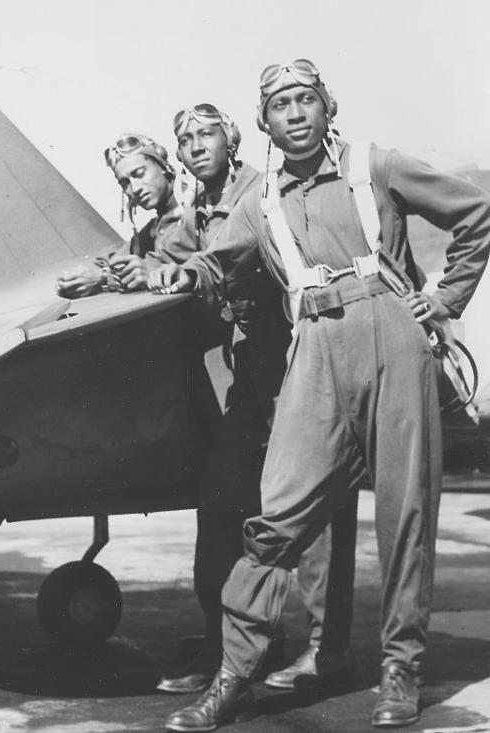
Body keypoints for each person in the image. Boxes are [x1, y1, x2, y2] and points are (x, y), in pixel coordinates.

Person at [156, 60, 490, 731]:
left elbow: (476, 211)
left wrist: (445, 299)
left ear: (326, 106)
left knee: (405, 515)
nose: (296, 113)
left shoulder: (375, 165)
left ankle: (401, 669)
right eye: (281, 104)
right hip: (313, 349)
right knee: (276, 515)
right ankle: (234, 675)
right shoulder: (260, 203)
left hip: (392, 336)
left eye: (306, 99)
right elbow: (213, 262)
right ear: (265, 123)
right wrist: (157, 271)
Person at [150, 104, 359, 696]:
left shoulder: (260, 191)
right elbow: (175, 263)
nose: (194, 146)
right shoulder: (196, 213)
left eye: (206, 134)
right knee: (221, 508)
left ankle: (328, 650)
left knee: (317, 513)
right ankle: (230, 644)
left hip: (298, 366)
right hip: (245, 383)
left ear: (232, 138)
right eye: (184, 137)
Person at [55, 133, 184, 297]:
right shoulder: (156, 227)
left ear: (163, 166)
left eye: (139, 173)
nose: (135, 188)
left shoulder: (195, 206)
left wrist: (103, 278)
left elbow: (175, 259)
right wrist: (84, 275)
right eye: (125, 182)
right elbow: (117, 258)